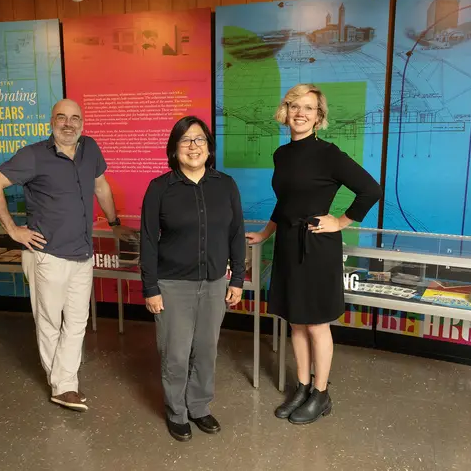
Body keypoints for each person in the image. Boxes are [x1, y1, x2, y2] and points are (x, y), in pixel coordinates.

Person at [0, 99, 133, 412]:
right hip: (46, 255)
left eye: (75, 117)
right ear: (51, 121)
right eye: (61, 117)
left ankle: (64, 381)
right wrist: (13, 230)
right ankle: (63, 386)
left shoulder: (90, 148)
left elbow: (101, 188)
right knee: (50, 322)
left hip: (82, 253)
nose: (68, 123)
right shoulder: (34, 155)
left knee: (77, 322)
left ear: (83, 122)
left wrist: (115, 223)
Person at [246, 84, 382, 425]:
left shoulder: (329, 153)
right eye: (295, 106)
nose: (300, 113)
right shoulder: (282, 155)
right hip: (288, 245)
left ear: (318, 116)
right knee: (296, 321)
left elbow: (371, 189)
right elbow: (286, 201)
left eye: (308, 108)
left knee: (317, 324)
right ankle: (302, 388)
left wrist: (342, 221)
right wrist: (266, 232)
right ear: (285, 111)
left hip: (317, 246)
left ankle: (321, 394)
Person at [140, 116, 246, 442]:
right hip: (172, 288)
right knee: (175, 353)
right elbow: (147, 240)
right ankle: (177, 412)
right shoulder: (160, 188)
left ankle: (199, 407)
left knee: (206, 351)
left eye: (199, 139)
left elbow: (236, 234)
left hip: (215, 285)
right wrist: (150, 288)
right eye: (185, 140)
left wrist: (237, 279)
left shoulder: (225, 185)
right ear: (174, 149)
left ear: (209, 147)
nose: (193, 146)